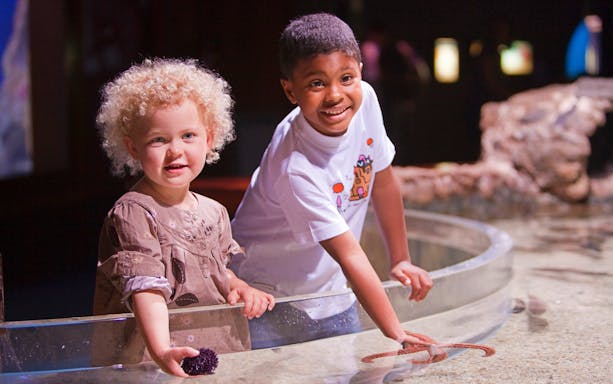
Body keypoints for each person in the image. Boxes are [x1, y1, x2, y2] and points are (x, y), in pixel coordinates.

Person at [230, 13, 432, 349]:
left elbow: (382, 182)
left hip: (333, 293)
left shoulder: (366, 101)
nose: (335, 95)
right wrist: (396, 332)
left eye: (346, 77)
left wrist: (400, 258)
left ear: (361, 72)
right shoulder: (295, 166)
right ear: (290, 90)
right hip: (268, 301)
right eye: (316, 83)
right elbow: (350, 254)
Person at [92, 58, 275, 377]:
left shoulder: (214, 211)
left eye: (188, 135)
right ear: (133, 148)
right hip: (156, 361)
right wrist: (161, 349)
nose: (175, 150)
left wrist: (240, 287)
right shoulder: (134, 211)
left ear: (210, 137)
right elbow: (145, 289)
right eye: (158, 140)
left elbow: (214, 272)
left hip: (216, 347)